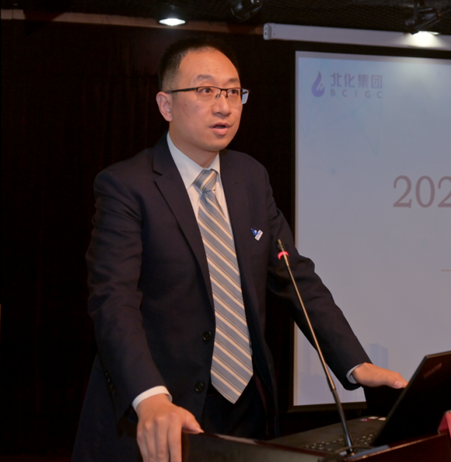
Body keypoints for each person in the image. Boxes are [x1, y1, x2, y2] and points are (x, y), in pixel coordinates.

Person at [72, 36, 407, 462]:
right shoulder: (127, 186)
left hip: (247, 409)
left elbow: (295, 277)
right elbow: (113, 300)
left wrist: (355, 364)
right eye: (206, 90)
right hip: (163, 412)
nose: (224, 106)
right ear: (166, 105)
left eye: (233, 92)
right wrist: (150, 397)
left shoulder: (250, 177)